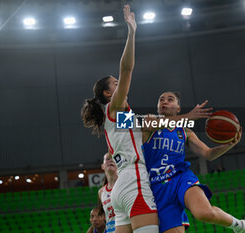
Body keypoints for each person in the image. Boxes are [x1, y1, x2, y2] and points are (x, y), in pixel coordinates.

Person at [81, 5, 210, 233]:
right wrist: (132, 33)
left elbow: (156, 123)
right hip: (135, 179)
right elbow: (127, 68)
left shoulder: (121, 118)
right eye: (115, 83)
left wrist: (186, 119)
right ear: (108, 93)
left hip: (119, 188)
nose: (120, 84)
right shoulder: (115, 106)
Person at [142, 91, 245, 233]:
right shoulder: (150, 120)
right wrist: (189, 116)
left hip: (180, 177)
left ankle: (242, 226)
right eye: (161, 100)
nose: (164, 102)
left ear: (178, 108)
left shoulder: (185, 132)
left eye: (170, 99)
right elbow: (152, 124)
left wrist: (229, 145)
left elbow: (208, 154)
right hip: (156, 186)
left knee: (204, 213)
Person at [86, 153, 118, 233]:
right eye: (107, 159)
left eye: (113, 159)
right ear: (102, 166)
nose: (110, 160)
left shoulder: (124, 185)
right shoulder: (101, 192)